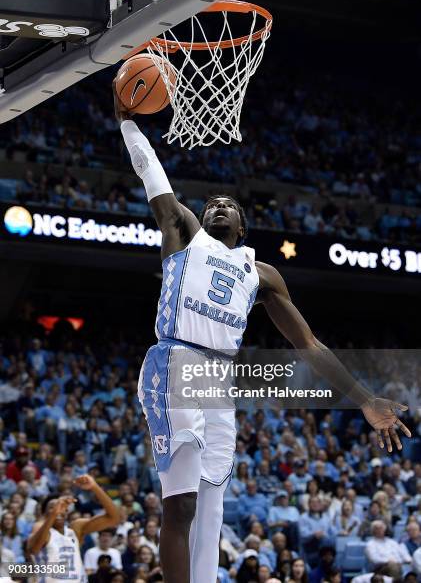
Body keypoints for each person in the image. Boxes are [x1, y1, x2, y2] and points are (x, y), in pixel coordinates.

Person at [113, 82, 411, 583]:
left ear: (243, 226)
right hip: (176, 362)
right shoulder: (184, 232)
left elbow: (309, 344)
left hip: (220, 380)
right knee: (180, 504)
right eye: (212, 204)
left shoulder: (262, 273)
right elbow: (156, 184)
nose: (218, 207)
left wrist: (362, 399)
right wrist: (128, 123)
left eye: (229, 205)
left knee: (212, 510)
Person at [27, 475, 120, 581]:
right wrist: (53, 514)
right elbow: (34, 549)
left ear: (67, 511)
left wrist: (94, 487)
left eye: (61, 507)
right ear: (44, 515)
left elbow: (114, 518)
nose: (58, 509)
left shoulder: (75, 529)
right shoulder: (40, 529)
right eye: (52, 507)